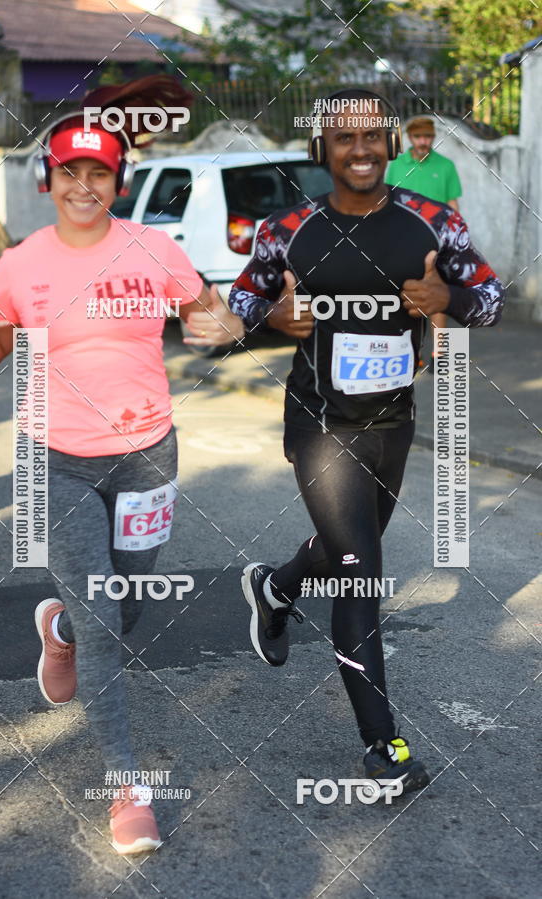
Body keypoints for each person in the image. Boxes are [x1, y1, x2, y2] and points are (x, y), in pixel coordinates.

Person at [0, 109, 244, 854]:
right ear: (50, 180)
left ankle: (59, 628)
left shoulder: (155, 247)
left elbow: (209, 314)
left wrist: (226, 328)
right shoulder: (22, 263)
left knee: (128, 606)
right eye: (70, 172)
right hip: (53, 456)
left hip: (148, 454)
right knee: (108, 622)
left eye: (99, 172)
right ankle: (125, 787)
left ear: (118, 180)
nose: (84, 185)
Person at [230, 88, 503, 798]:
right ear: (323, 149)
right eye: (344, 138)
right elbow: (238, 308)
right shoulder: (286, 228)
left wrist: (451, 303)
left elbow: (492, 297)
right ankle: (384, 746)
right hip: (319, 425)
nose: (361, 149)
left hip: (392, 424)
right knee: (360, 572)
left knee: (344, 547)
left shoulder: (433, 223)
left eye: (372, 136)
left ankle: (276, 585)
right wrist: (271, 319)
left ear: (387, 143)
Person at [385, 115, 463, 370]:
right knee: (405, 297)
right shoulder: (396, 165)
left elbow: (453, 205)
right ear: (410, 138)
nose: (423, 142)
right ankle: (411, 353)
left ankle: (440, 354)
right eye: (419, 137)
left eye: (428, 137)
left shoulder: (446, 166)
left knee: (437, 297)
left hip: (437, 242)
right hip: (402, 241)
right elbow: (387, 201)